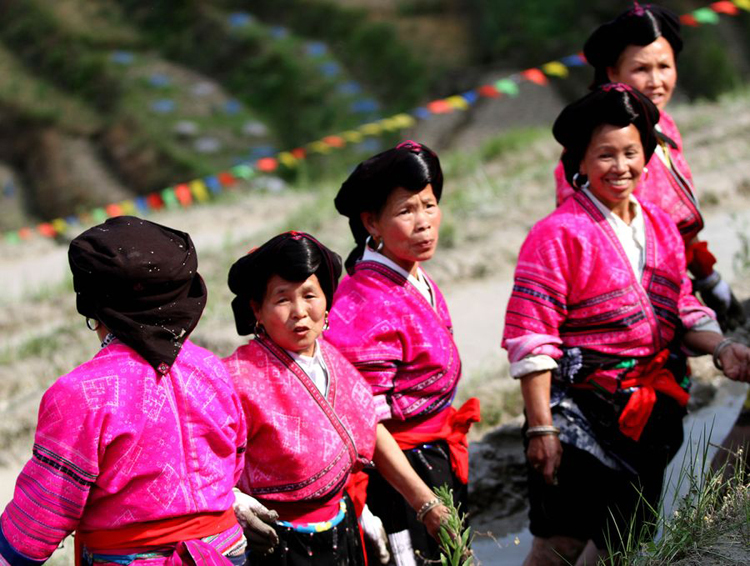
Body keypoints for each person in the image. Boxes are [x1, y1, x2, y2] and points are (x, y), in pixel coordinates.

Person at [504, 84, 750, 566]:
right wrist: (541, 428)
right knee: (562, 540)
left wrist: (721, 349)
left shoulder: (659, 225)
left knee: (624, 538)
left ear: (648, 155)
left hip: (652, 410)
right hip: (580, 408)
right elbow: (531, 336)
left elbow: (680, 304)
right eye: (605, 155)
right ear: (579, 161)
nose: (621, 167)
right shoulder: (555, 235)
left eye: (631, 153)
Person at [0, 216, 248, 566]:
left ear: (92, 304)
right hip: (223, 553)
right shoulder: (213, 370)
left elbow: (44, 510)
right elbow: (234, 460)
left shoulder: (80, 393)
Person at [224, 231, 448, 566]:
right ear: (257, 309)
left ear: (328, 299)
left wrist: (425, 503)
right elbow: (208, 462)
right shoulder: (236, 378)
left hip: (341, 527)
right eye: (282, 299)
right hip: (277, 544)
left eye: (310, 295)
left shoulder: (334, 361)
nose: (300, 311)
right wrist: (235, 501)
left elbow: (370, 429)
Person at [326, 141, 480, 565]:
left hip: (433, 455)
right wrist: (424, 501)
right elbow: (366, 421)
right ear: (371, 222)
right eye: (406, 211)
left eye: (429, 206)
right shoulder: (362, 305)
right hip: (400, 473)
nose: (424, 223)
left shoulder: (413, 277)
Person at [554, 2, 745, 331]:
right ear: (613, 73)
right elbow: (588, 241)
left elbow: (680, 221)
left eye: (665, 67)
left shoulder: (665, 127)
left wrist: (707, 275)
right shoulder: (589, 146)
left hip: (673, 283)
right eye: (641, 69)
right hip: (623, 305)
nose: (656, 81)